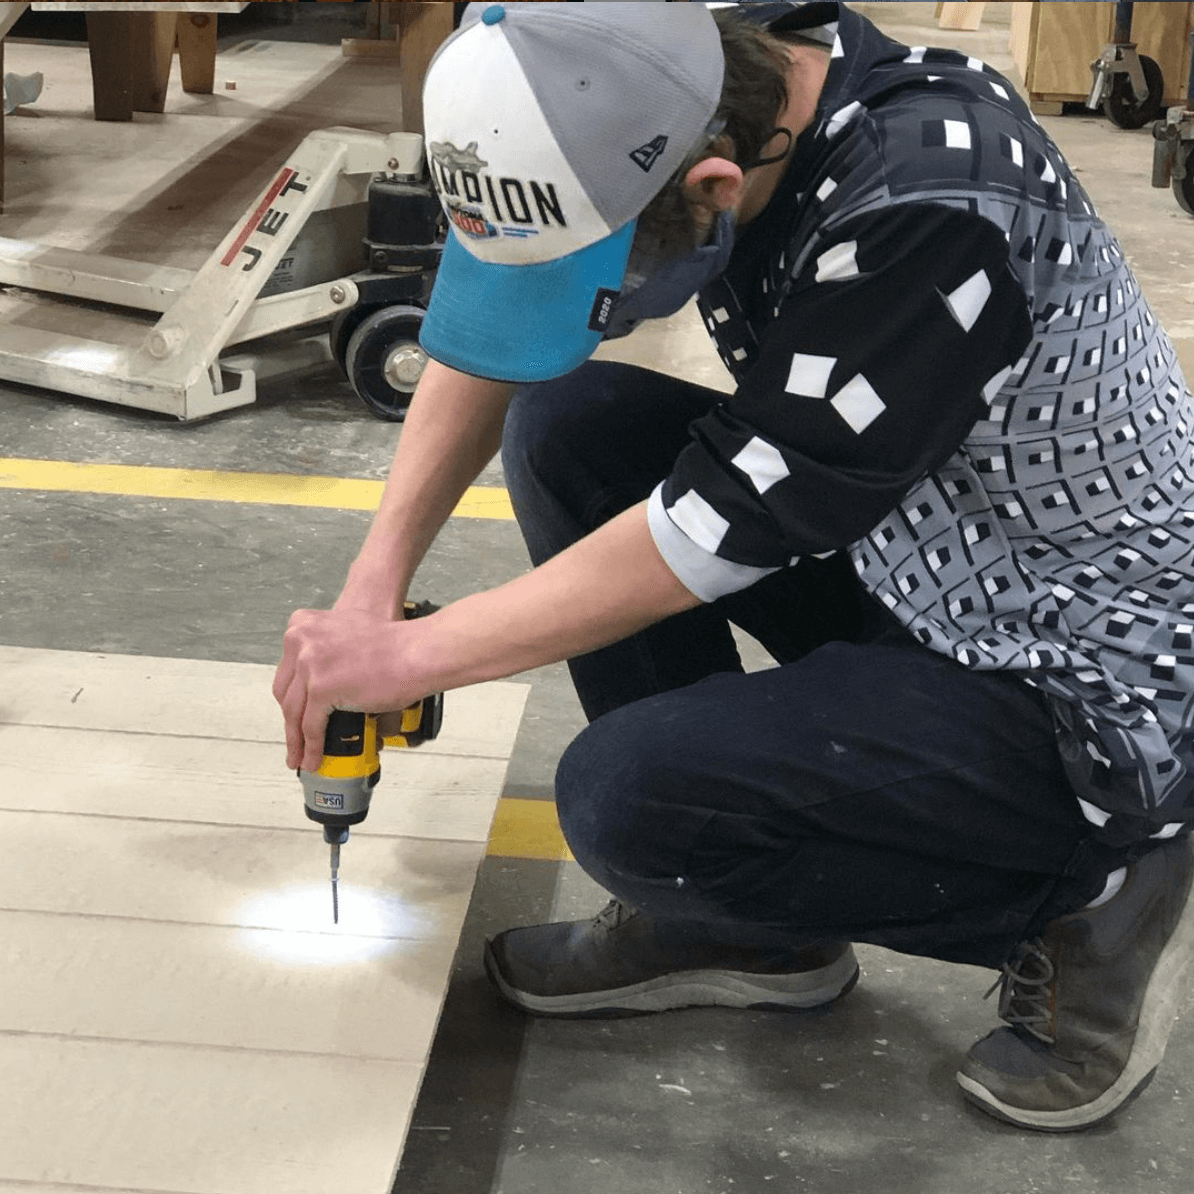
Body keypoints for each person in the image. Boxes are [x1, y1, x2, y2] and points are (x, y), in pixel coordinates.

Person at [273, 2, 1194, 1133]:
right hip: (922, 549)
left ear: (715, 186)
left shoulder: (927, 211)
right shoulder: (691, 73)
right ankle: (748, 928)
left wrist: (413, 660)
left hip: (1084, 673)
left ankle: (1096, 890)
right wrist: (373, 591)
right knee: (570, 425)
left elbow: (715, 531)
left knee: (628, 800)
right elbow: (499, 337)